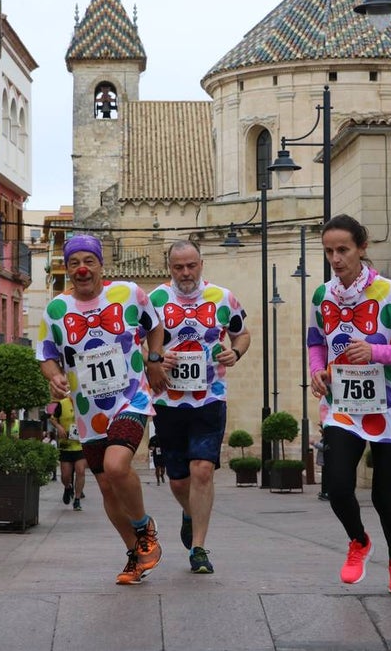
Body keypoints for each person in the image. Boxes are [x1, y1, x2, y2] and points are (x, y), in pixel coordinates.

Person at [306, 214, 391, 593]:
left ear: (362, 248)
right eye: (329, 251)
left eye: (343, 249)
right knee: (338, 486)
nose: (336, 258)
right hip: (342, 406)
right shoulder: (322, 295)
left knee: (383, 495)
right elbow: (316, 340)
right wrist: (316, 370)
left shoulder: (390, 293)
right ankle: (358, 541)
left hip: (390, 410)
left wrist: (376, 352)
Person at [37, 233, 163, 585]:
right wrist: (55, 377)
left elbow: (155, 327)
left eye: (88, 261)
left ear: (100, 265)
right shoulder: (56, 310)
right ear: (67, 268)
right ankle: (136, 554)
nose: (81, 269)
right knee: (107, 487)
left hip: (130, 398)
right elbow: (46, 355)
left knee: (116, 464)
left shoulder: (128, 293)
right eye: (74, 262)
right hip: (87, 411)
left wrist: (154, 359)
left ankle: (145, 529)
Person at [146, 239, 250, 575]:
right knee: (178, 481)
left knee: (202, 470)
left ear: (201, 264)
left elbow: (242, 334)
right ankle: (189, 512)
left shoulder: (223, 298)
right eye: (179, 267)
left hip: (210, 396)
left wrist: (236, 352)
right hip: (168, 399)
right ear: (169, 268)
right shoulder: (155, 301)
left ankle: (199, 548)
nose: (186, 273)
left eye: (191, 266)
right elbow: (137, 344)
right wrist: (158, 359)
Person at [50, 395, 87, 510]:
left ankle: (77, 499)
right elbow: (52, 418)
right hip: (66, 445)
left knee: (80, 471)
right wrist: (59, 427)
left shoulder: (85, 402)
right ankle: (68, 487)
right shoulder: (62, 403)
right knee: (65, 476)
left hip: (80, 445)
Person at [314, 427, 329, 501]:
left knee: (327, 478)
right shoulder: (325, 437)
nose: (320, 431)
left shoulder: (329, 437)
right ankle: (324, 492)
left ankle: (326, 493)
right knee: (325, 478)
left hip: (327, 461)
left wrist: (314, 443)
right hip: (325, 461)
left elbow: (325, 447)